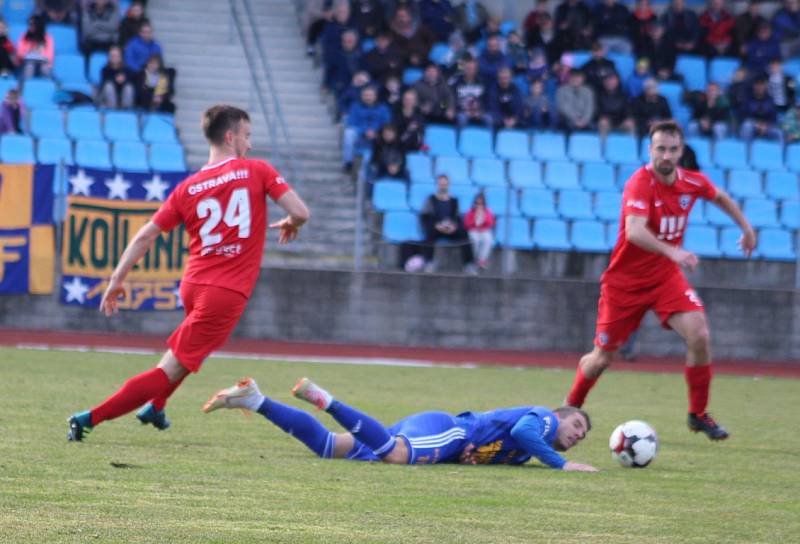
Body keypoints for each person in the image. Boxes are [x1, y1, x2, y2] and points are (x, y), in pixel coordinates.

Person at [66, 104, 311, 441]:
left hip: (194, 285)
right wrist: (292, 222)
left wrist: (117, 280)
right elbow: (301, 212)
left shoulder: (188, 188)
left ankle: (156, 407)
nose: (250, 145)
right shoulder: (258, 171)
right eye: (247, 136)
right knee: (169, 368)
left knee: (188, 355)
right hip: (224, 294)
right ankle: (89, 418)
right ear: (230, 137)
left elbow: (145, 235)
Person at [564, 120, 756, 441]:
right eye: (660, 149)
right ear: (650, 150)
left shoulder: (690, 182)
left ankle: (698, 414)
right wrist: (674, 252)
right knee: (601, 359)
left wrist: (747, 229)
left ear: (681, 151)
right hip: (625, 283)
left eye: (672, 149)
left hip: (665, 278)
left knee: (699, 335)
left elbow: (719, 197)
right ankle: (569, 407)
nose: (666, 155)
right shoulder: (639, 183)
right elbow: (636, 231)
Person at [203, 376, 598, 472]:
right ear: (560, 414)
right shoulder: (545, 420)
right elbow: (524, 430)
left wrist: (473, 459)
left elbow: (504, 443)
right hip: (449, 429)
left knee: (329, 447)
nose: (578, 436)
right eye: (577, 426)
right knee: (395, 456)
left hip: (441, 436)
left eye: (581, 438)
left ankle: (255, 399)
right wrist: (563, 465)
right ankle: (327, 399)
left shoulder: (522, 457)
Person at [419, 174, 475, 274]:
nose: (443, 186)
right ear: (437, 185)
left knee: (464, 234)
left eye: (445, 184)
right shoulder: (431, 199)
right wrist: (436, 225)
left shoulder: (454, 201)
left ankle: (468, 264)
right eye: (441, 184)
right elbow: (425, 217)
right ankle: (428, 262)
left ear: (448, 185)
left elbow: (458, 218)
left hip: (451, 229)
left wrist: (454, 226)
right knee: (429, 233)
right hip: (436, 228)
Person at [464, 192, 495, 270]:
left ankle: (482, 259)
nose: (479, 205)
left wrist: (483, 218)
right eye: (477, 203)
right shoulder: (470, 211)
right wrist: (474, 220)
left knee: (488, 240)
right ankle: (473, 259)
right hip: (473, 229)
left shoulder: (487, 211)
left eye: (481, 203)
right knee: (475, 240)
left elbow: (490, 223)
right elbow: (466, 224)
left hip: (484, 230)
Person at [99, 45, 136, 109]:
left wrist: (124, 80)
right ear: (109, 57)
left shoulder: (126, 69)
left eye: (116, 56)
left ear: (121, 57)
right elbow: (103, 84)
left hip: (122, 97)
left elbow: (132, 81)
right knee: (108, 86)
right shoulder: (105, 69)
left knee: (129, 87)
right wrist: (115, 80)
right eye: (112, 56)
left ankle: (126, 108)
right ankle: (112, 109)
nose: (114, 58)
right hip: (110, 99)